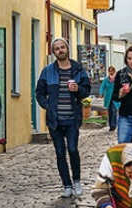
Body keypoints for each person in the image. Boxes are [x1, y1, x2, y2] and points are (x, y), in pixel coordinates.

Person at [35, 37, 91, 198]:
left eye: (62, 47)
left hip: (72, 118)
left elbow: (86, 90)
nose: (60, 50)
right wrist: (48, 106)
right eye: (57, 49)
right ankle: (67, 185)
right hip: (55, 120)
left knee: (73, 150)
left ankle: (77, 181)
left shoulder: (78, 69)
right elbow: (39, 92)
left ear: (67, 49)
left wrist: (77, 89)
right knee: (60, 152)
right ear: (54, 53)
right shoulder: (48, 71)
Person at [99, 65, 120, 131]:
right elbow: (102, 87)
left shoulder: (117, 80)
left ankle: (113, 125)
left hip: (115, 98)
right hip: (108, 98)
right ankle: (111, 124)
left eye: (112, 72)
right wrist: (101, 93)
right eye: (110, 72)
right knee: (109, 112)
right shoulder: (106, 80)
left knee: (114, 111)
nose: (111, 74)